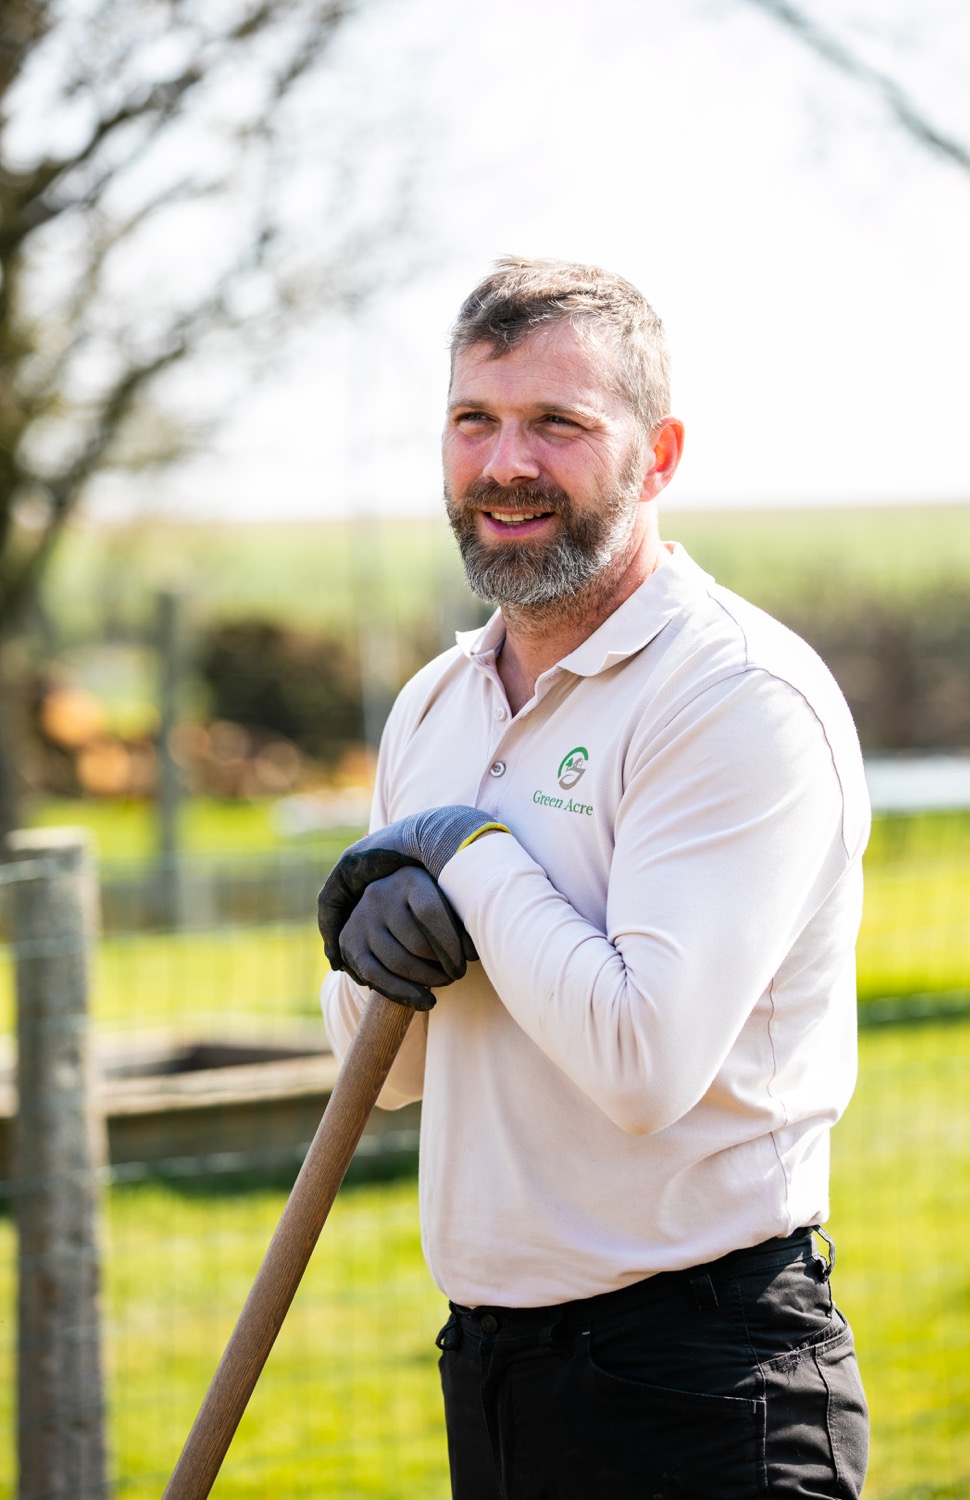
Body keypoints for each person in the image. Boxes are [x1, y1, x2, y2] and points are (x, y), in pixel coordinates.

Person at [318, 256, 870, 1499]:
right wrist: (368, 947)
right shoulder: (436, 704)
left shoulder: (733, 697)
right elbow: (392, 1075)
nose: (505, 463)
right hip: (495, 1371)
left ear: (658, 455)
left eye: (557, 424)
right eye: (475, 421)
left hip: (702, 1377)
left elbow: (640, 1067)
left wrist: (468, 856)